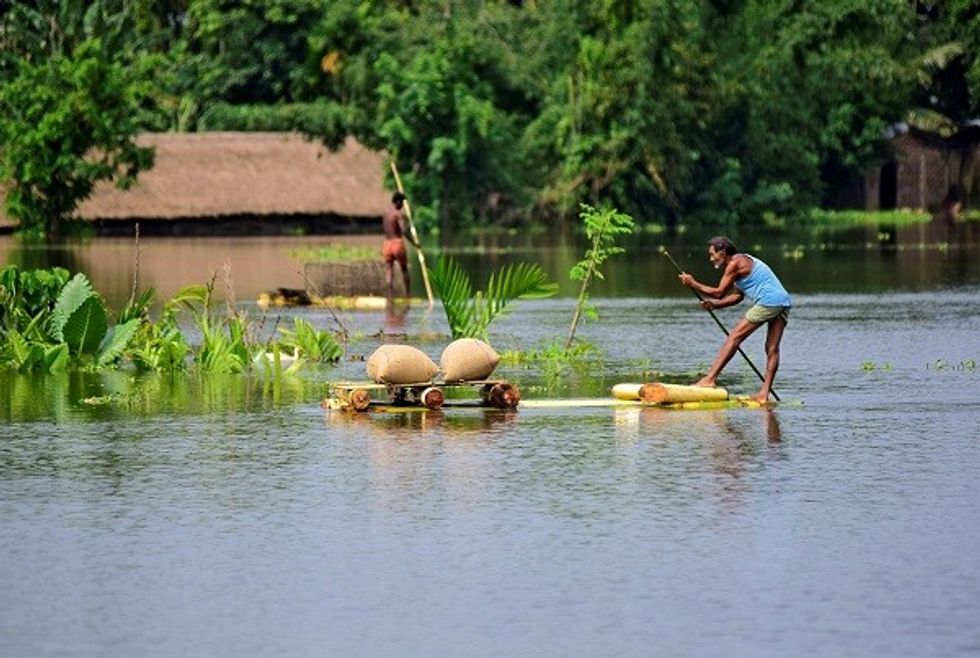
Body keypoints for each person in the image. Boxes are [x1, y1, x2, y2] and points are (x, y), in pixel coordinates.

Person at [678, 236, 792, 403]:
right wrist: (716, 306)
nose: (711, 259)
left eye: (712, 254)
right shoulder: (741, 262)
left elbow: (719, 292)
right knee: (771, 348)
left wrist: (693, 283)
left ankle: (709, 379)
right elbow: (737, 297)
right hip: (783, 302)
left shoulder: (734, 264)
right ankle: (763, 395)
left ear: (723, 252)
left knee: (734, 337)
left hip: (769, 302)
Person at [382, 192, 418, 300]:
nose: (402, 205)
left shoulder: (386, 214)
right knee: (404, 269)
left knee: (389, 270)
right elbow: (404, 231)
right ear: (397, 201)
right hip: (397, 243)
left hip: (387, 244)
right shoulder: (398, 214)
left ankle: (390, 296)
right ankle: (407, 295)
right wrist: (414, 243)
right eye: (402, 202)